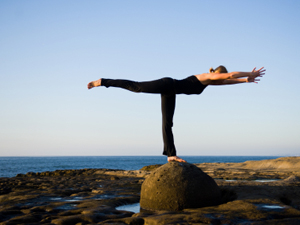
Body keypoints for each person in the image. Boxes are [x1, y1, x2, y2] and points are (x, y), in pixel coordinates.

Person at [87, 66, 265, 163]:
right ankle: (102, 82)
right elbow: (230, 75)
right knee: (137, 87)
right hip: (167, 84)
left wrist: (245, 81)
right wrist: (250, 72)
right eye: (223, 76)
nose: (225, 79)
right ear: (219, 74)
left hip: (170, 92)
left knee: (167, 123)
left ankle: (170, 154)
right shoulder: (204, 76)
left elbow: (228, 81)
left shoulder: (212, 82)